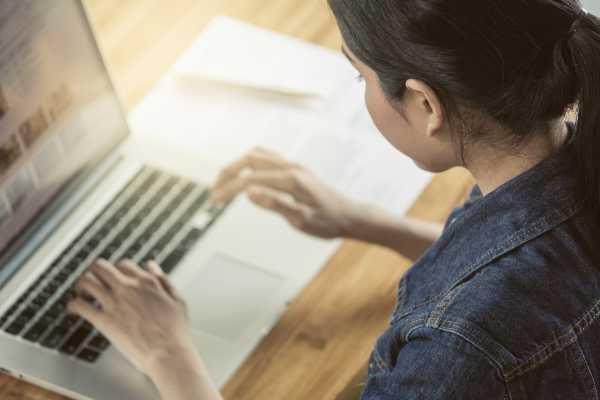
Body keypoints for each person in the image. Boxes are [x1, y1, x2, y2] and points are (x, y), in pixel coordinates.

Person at [68, 0, 600, 398]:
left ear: (424, 104)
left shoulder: (453, 353)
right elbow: (540, 271)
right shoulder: (570, 159)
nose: (361, 87)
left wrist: (168, 354)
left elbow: (492, 317)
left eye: (359, 73)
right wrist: (367, 221)